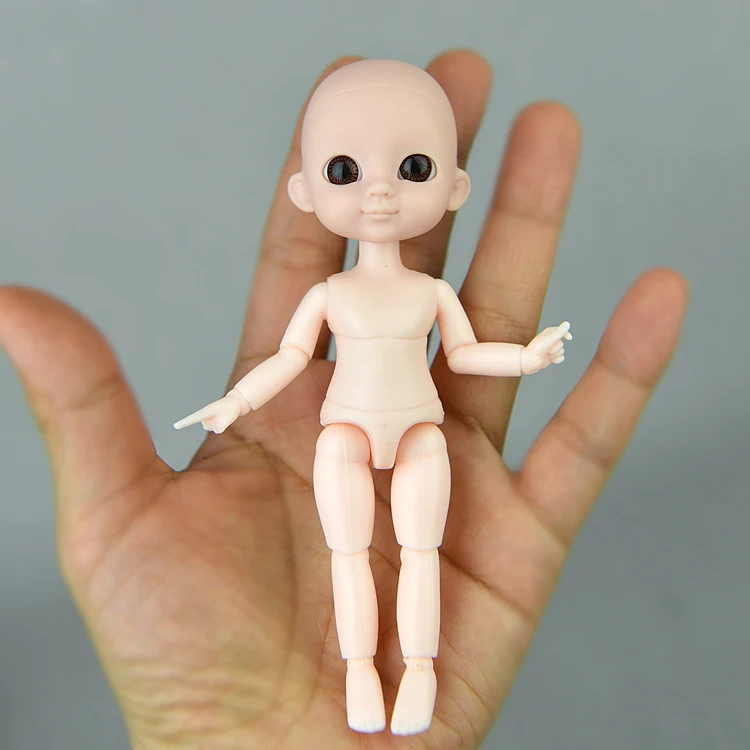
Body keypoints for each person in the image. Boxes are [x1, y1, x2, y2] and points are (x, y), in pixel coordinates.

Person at [0, 50, 687, 749]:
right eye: (344, 171)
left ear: (455, 187)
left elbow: (463, 355)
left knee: (421, 553)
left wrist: (525, 358)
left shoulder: (429, 292)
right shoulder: (330, 293)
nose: (380, 191)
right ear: (305, 191)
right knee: (348, 555)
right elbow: (291, 357)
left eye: (413, 167)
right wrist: (235, 404)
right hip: (345, 432)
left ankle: (419, 675)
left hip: (421, 429)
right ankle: (360, 675)